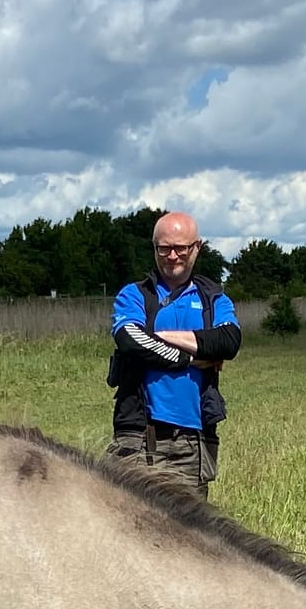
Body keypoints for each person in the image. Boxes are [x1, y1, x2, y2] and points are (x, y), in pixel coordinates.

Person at [108, 212, 242, 495]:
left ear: (197, 248)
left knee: (188, 536)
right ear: (154, 247)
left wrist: (158, 338)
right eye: (164, 248)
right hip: (140, 436)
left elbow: (228, 341)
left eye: (181, 248)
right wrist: (190, 359)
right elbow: (130, 340)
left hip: (194, 441)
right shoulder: (135, 295)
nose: (172, 256)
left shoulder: (213, 298)